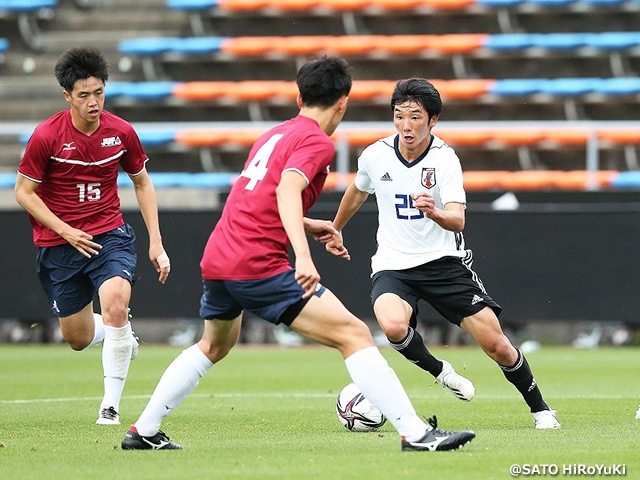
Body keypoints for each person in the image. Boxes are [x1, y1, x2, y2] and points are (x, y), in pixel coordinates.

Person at [120, 56, 475, 452]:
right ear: (342, 103)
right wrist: (303, 256)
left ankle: (144, 430)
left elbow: (256, 197)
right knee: (354, 334)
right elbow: (287, 191)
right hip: (256, 262)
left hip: (220, 254)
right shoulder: (316, 141)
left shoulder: (276, 134)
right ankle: (416, 434)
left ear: (300, 94)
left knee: (213, 345)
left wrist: (308, 225)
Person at [325, 78, 561, 430]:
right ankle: (441, 372)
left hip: (443, 263)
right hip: (394, 265)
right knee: (391, 326)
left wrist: (434, 212)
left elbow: (457, 219)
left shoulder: (444, 159)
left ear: (432, 120)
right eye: (399, 115)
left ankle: (541, 410)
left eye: (415, 117)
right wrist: (336, 227)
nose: (406, 125)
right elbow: (358, 191)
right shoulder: (375, 155)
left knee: (497, 345)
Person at [14, 47, 170, 425]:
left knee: (116, 301)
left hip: (108, 234)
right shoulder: (47, 136)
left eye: (98, 92)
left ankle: (110, 407)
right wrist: (66, 230)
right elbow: (23, 192)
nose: (93, 102)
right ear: (67, 96)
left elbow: (142, 183)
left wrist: (156, 241)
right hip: (60, 245)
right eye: (83, 95)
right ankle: (121, 336)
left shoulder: (121, 132)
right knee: (78, 337)